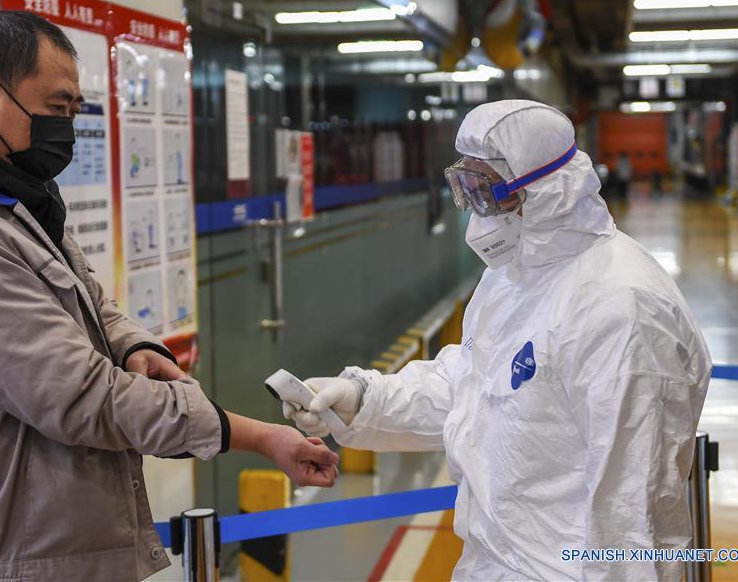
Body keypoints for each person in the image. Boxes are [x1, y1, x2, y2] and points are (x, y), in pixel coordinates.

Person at [0, 11, 337, 582]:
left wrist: (137, 346)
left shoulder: (17, 202)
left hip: (50, 547)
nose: (65, 127)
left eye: (72, 111)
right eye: (56, 108)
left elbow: (88, 297)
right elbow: (80, 396)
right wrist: (261, 437)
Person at [282, 100, 711, 580]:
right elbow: (470, 387)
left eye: (486, 193)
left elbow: (631, 519)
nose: (476, 212)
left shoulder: (621, 309)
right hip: (492, 561)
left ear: (547, 191)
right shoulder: (512, 278)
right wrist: (362, 399)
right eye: (465, 189)